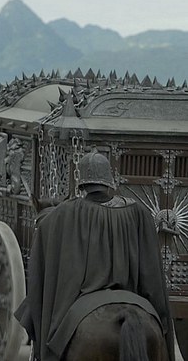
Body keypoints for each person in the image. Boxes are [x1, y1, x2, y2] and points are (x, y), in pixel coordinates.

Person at [15, 150, 174, 361]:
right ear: (109, 180)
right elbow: (151, 271)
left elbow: (45, 267)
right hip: (133, 294)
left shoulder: (62, 215)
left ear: (82, 182)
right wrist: (161, 316)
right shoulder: (138, 212)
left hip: (81, 298)